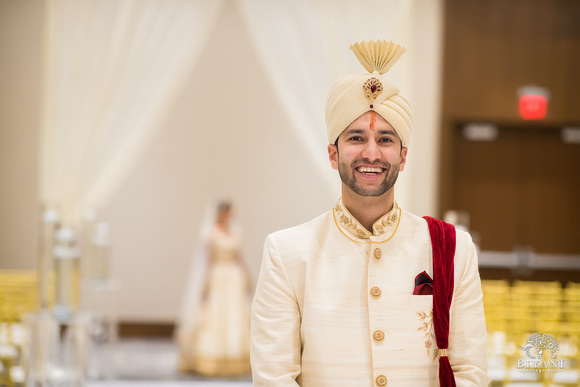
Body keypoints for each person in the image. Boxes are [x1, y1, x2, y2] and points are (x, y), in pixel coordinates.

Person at [251, 40, 490, 386]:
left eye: (387, 140)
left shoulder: (452, 248)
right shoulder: (287, 253)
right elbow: (274, 377)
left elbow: (471, 371)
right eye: (356, 137)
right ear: (333, 155)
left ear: (403, 157)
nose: (372, 153)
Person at [177, 200, 252, 376]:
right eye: (229, 212)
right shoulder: (210, 233)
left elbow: (239, 256)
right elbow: (207, 261)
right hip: (218, 276)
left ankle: (236, 356)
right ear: (222, 213)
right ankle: (210, 357)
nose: (232, 215)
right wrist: (205, 285)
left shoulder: (235, 232)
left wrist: (247, 275)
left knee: (235, 314)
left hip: (233, 277)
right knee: (216, 314)